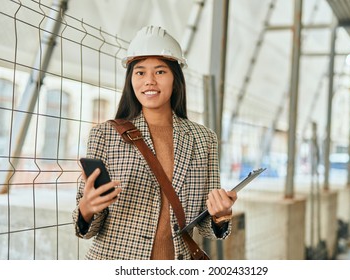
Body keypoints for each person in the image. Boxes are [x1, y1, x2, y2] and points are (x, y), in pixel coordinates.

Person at [72, 25, 237, 260]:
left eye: (160, 72)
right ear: (130, 79)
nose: (149, 81)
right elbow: (87, 230)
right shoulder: (104, 135)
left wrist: (221, 215)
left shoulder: (204, 139)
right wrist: (87, 208)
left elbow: (206, 227)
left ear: (175, 78)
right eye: (140, 72)